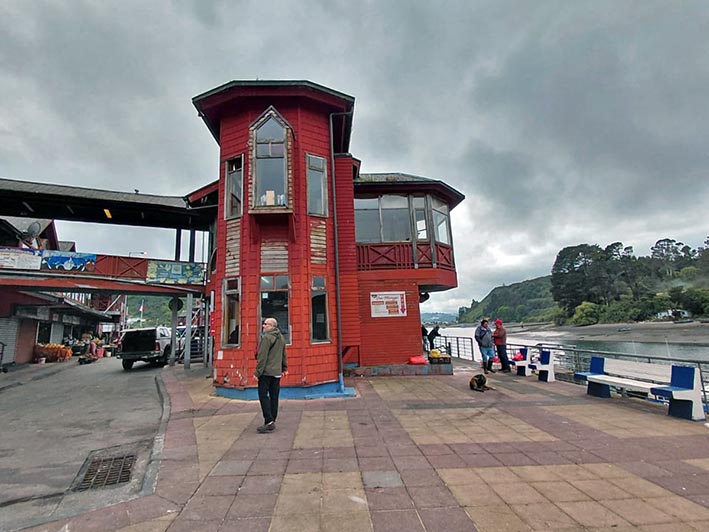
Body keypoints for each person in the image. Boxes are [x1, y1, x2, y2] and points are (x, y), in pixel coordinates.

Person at [255, 317, 288, 433]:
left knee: (263, 395)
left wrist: (257, 372)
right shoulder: (281, 338)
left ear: (272, 326)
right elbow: (283, 354)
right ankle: (272, 419)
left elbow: (262, 356)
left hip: (266, 372)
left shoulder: (267, 338)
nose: (263, 326)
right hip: (276, 372)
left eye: (266, 324)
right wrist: (284, 368)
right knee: (274, 396)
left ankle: (268, 420)